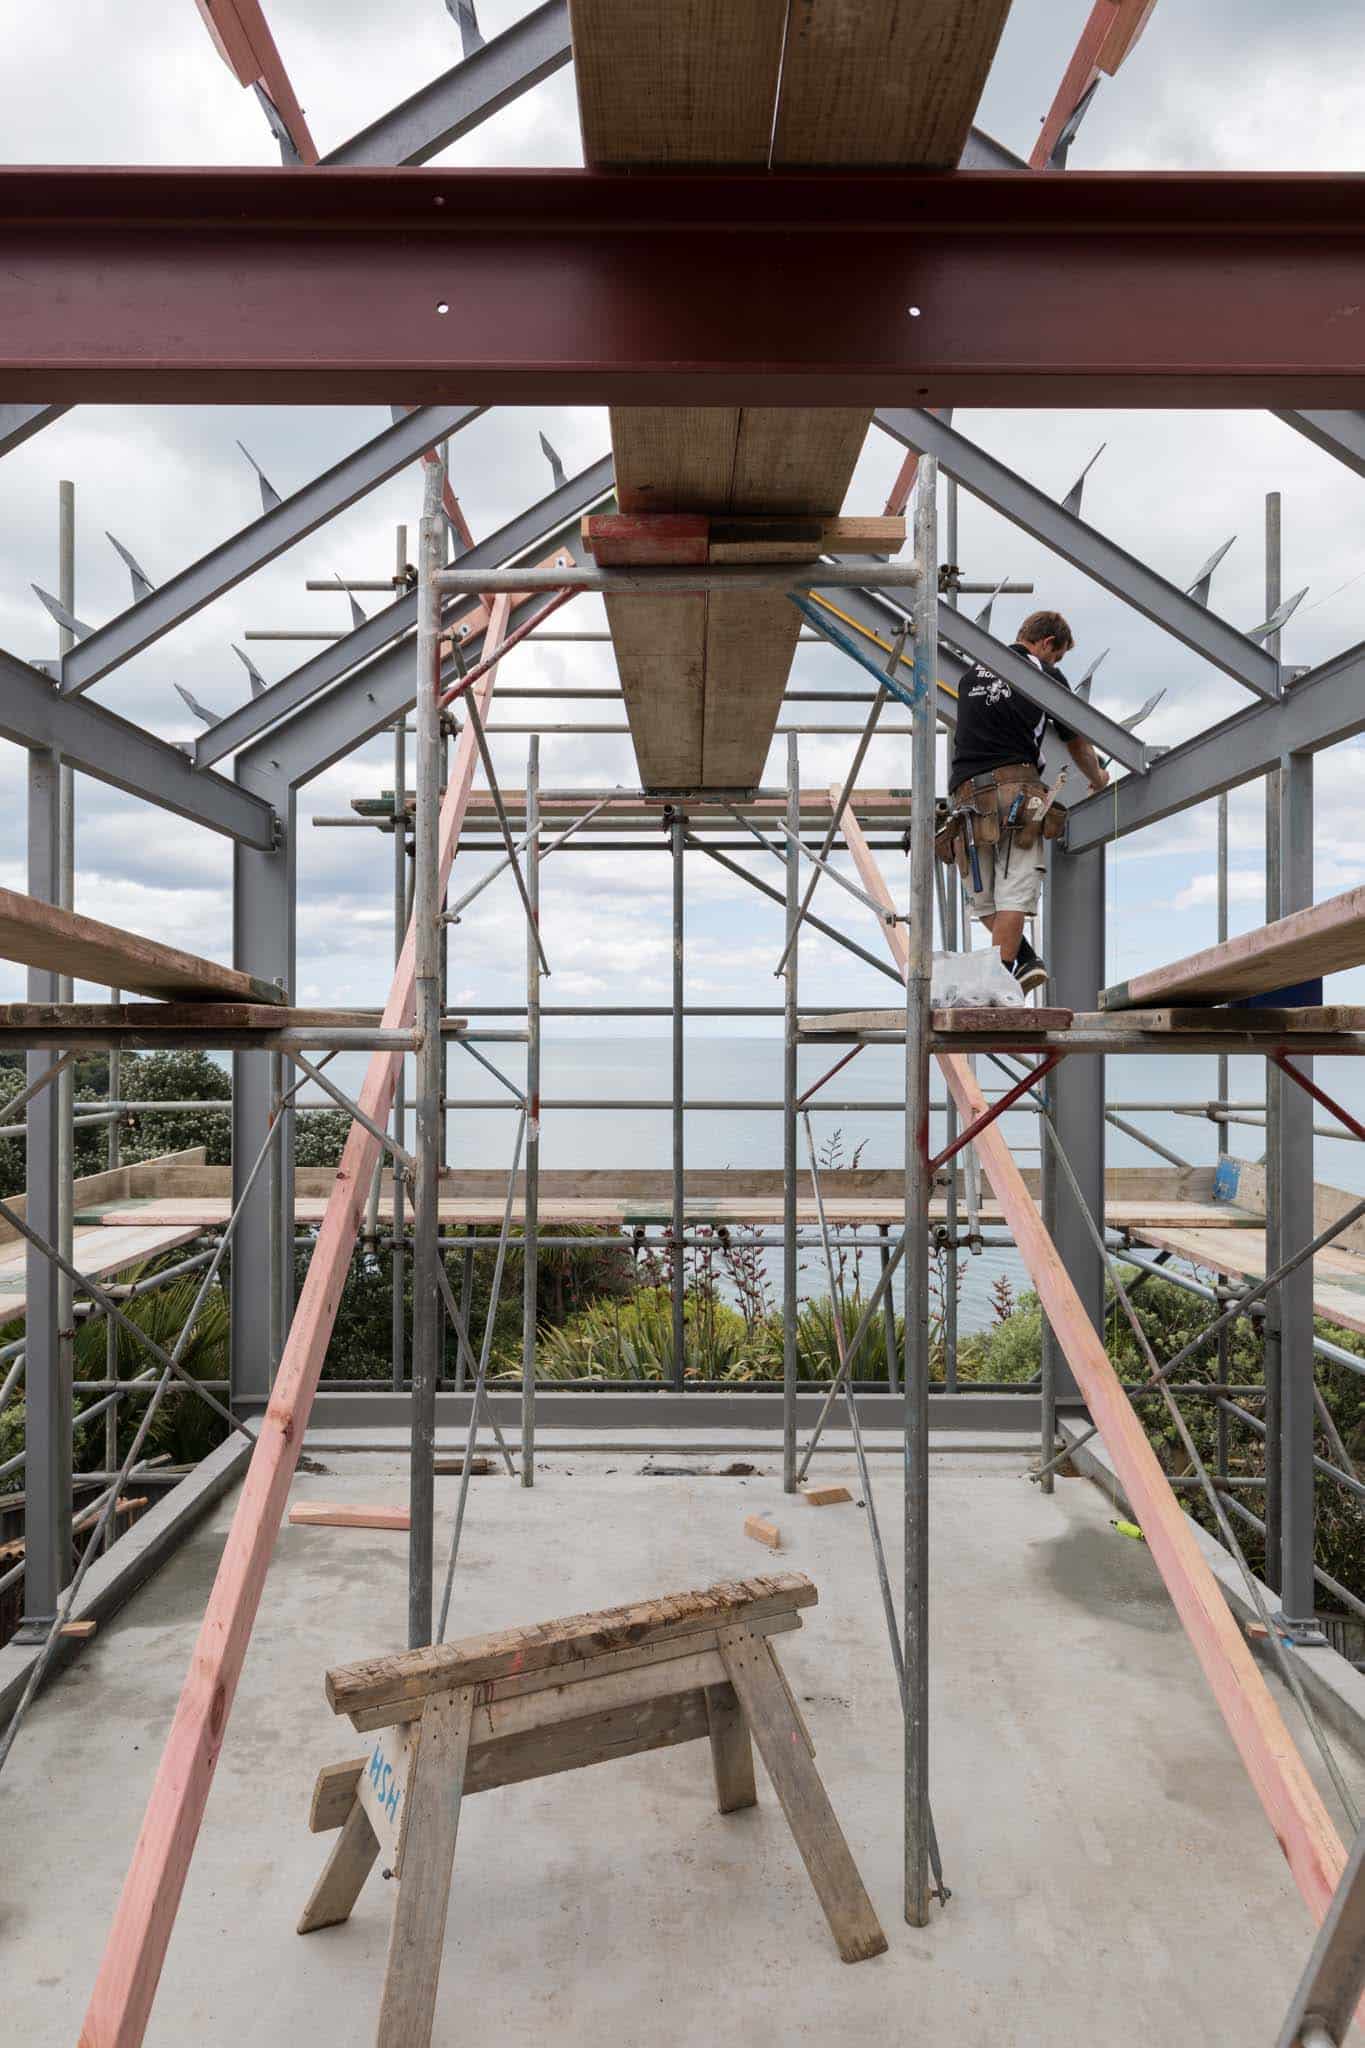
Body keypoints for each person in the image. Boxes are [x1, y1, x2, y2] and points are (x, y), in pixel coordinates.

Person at [939, 609, 1110, 995]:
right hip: (1015, 793)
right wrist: (1098, 778)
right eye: (1058, 655)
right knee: (1014, 892)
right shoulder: (1042, 675)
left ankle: (1025, 959)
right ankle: (997, 987)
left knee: (985, 902)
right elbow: (1076, 741)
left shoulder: (971, 675)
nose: (1056, 663)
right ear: (1047, 643)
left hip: (967, 798)